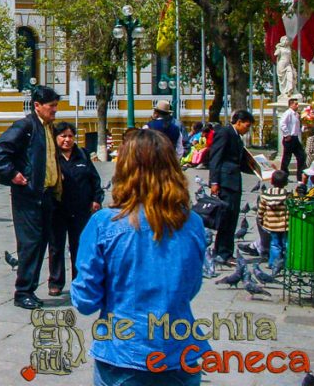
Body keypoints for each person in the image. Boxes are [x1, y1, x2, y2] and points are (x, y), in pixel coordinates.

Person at [72, 128, 209, 386]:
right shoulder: (192, 223)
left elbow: (85, 300)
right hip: (179, 348)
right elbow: (191, 287)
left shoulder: (105, 224)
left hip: (123, 351)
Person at [0, 85, 63, 310]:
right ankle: (22, 292)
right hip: (29, 196)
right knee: (30, 244)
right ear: (37, 106)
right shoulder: (26, 126)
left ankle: (30, 288)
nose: (54, 111)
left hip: (46, 194)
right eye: (51, 107)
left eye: (55, 107)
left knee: (41, 242)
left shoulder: (48, 128)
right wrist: (12, 174)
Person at [47, 122, 102, 296]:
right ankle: (56, 282)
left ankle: (79, 281)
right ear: (56, 138)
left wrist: (96, 199)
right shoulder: (51, 157)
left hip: (80, 210)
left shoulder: (83, 155)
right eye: (63, 136)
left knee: (79, 246)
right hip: (57, 209)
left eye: (70, 136)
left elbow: (95, 180)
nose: (67, 140)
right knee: (56, 246)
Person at [208, 108, 255, 263]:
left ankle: (225, 251)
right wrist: (214, 182)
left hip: (234, 181)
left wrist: (261, 171)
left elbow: (241, 162)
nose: (247, 130)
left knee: (232, 217)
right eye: (247, 126)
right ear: (239, 122)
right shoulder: (225, 133)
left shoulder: (236, 136)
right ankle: (223, 252)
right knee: (226, 217)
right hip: (225, 182)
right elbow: (216, 157)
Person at [256, 169, 289, 272]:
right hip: (285, 225)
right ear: (286, 183)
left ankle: (273, 263)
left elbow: (261, 209)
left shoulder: (265, 195)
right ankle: (288, 263)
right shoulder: (287, 195)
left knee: (274, 244)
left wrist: (260, 219)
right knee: (286, 244)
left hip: (271, 225)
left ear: (271, 182)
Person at [279, 97, 306, 179]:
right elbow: (282, 124)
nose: (297, 106)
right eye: (296, 104)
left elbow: (296, 127)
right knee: (286, 158)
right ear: (291, 105)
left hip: (295, 138)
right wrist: (287, 134)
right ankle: (283, 175)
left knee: (301, 156)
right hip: (289, 139)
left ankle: (300, 175)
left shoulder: (296, 114)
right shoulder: (288, 113)